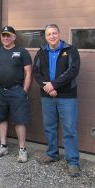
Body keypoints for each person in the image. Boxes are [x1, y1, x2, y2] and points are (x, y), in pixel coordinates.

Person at [32, 24, 80, 177]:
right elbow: (36, 72)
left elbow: (73, 71)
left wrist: (54, 85)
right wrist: (47, 87)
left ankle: (73, 161)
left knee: (69, 129)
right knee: (49, 126)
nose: (51, 36)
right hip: (47, 96)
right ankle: (52, 153)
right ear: (45, 37)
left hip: (67, 96)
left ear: (59, 34)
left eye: (54, 33)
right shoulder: (41, 51)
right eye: (48, 34)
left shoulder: (70, 50)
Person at [0, 26, 32, 163]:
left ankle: (22, 149)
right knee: (1, 118)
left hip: (16, 91)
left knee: (19, 120)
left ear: (14, 37)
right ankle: (3, 146)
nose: (5, 38)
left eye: (8, 35)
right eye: (3, 35)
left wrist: (24, 91)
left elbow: (28, 73)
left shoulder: (22, 52)